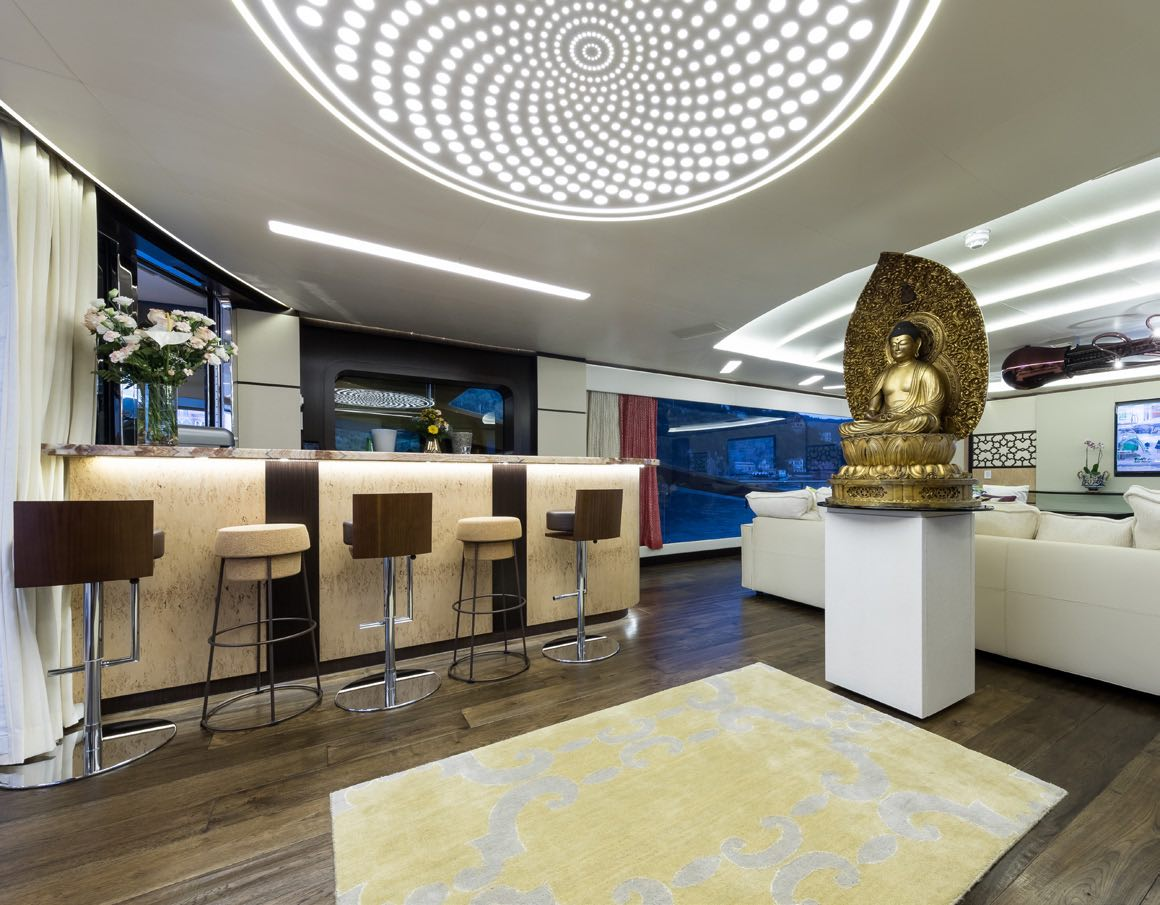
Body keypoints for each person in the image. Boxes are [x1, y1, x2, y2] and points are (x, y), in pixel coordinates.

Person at [838, 321, 947, 438]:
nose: (897, 348)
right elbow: (872, 410)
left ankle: (885, 432)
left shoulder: (926, 371)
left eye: (903, 343)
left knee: (924, 421)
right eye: (893, 344)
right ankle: (885, 430)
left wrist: (901, 415)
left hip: (911, 421)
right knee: (846, 428)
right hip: (887, 422)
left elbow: (935, 405)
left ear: (917, 344)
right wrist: (874, 417)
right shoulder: (884, 375)